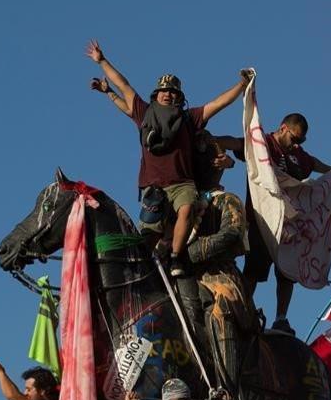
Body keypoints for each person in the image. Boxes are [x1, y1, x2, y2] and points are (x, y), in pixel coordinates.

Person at [85, 39, 250, 278]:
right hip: (155, 189)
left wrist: (241, 85)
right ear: (157, 95)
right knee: (148, 234)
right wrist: (102, 61)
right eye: (165, 91)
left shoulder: (189, 119)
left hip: (182, 184)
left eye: (174, 93)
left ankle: (176, 257)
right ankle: (136, 275)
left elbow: (218, 104)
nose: (169, 95)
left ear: (180, 99)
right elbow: (124, 84)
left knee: (186, 208)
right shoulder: (144, 112)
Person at [216, 114, 331, 334]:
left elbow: (313, 163)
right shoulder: (263, 144)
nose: (296, 144)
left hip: (289, 227)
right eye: (294, 139)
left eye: (301, 141)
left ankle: (281, 318)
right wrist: (214, 141)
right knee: (254, 271)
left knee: (287, 273)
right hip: (262, 222)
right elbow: (238, 143)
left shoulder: (298, 155)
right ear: (283, 128)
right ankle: (240, 311)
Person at [185, 133, 256, 390]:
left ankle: (227, 389)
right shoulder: (183, 203)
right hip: (182, 272)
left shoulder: (228, 200)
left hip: (219, 274)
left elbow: (232, 233)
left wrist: (191, 252)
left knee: (219, 309)